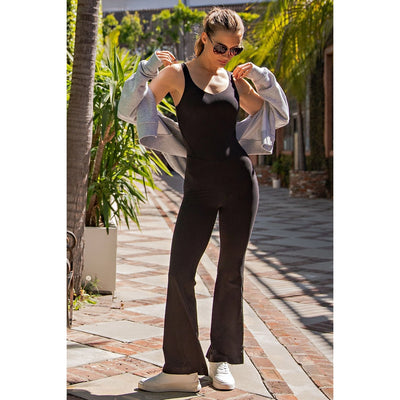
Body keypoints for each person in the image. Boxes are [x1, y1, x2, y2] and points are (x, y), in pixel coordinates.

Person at [118, 7, 289, 393]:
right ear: (204, 39)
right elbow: (130, 109)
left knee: (230, 273)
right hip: (198, 187)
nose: (227, 55)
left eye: (235, 49)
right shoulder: (176, 74)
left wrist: (262, 80)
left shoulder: (234, 79)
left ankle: (221, 358)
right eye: (220, 47)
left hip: (240, 184)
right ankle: (179, 369)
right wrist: (146, 71)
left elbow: (275, 115)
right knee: (181, 271)